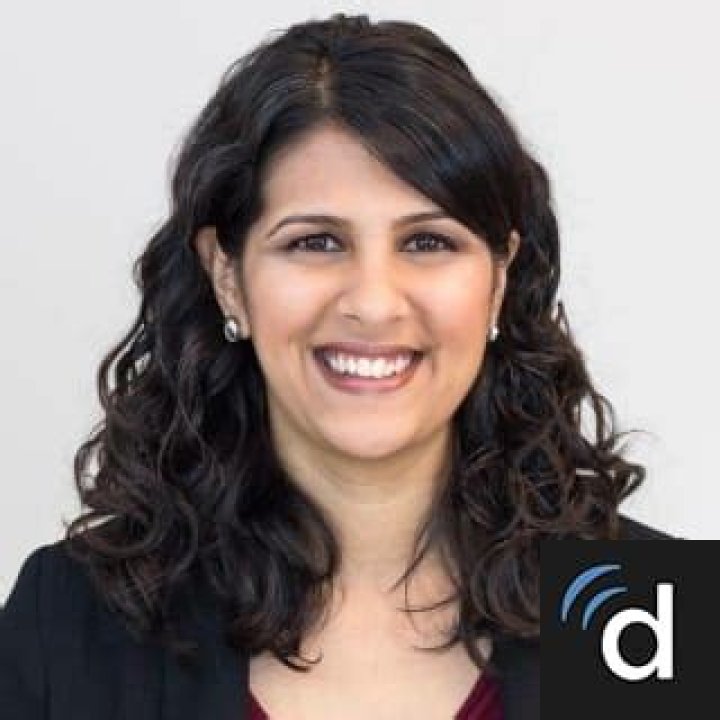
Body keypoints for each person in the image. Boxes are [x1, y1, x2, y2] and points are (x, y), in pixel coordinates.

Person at [0, 13, 676, 720]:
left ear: (498, 278)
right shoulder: (73, 622)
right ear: (228, 277)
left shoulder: (637, 607)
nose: (374, 303)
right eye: (316, 242)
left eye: (428, 242)